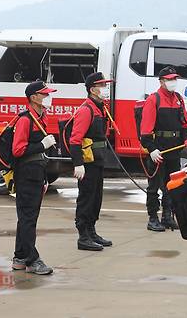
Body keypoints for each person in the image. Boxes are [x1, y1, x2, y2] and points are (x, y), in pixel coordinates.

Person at [140, 66, 187, 232]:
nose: (173, 82)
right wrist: (151, 149)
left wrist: (186, 138)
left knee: (172, 184)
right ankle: (153, 218)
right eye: (169, 79)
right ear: (162, 81)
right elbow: (145, 130)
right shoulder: (153, 100)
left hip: (174, 149)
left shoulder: (178, 98)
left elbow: (185, 123)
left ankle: (168, 216)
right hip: (158, 150)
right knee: (154, 186)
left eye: (174, 79)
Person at [12, 81, 57, 274]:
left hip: (37, 173)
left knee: (27, 218)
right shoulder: (25, 120)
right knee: (28, 218)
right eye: (44, 94)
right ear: (33, 98)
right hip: (26, 175)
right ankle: (32, 260)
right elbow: (18, 150)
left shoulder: (41, 117)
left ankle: (20, 257)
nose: (48, 97)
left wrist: (45, 178)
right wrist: (42, 145)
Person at [70, 72, 113, 250]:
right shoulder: (86, 110)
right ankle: (83, 237)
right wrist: (78, 164)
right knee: (86, 198)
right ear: (92, 89)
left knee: (96, 198)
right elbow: (75, 139)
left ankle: (91, 231)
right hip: (87, 164)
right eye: (102, 86)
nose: (105, 89)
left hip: (98, 161)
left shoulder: (100, 108)